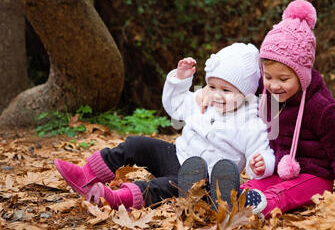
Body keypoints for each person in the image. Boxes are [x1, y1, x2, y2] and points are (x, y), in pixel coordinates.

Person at [197, 0, 335, 218]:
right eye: (267, 77)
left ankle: (253, 209)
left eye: (283, 79)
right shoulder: (265, 92)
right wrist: (207, 91)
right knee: (255, 184)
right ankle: (225, 198)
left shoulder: (323, 108)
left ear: (302, 74)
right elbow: (235, 88)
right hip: (278, 169)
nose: (274, 85)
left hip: (314, 177)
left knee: (280, 194)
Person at [53, 43, 275, 210]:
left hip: (201, 180)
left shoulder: (251, 122)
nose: (217, 94)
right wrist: (180, 81)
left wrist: (261, 164)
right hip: (177, 156)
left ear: (245, 93)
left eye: (226, 91)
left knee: (164, 187)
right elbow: (176, 106)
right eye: (212, 85)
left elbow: (260, 151)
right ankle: (88, 175)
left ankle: (119, 199)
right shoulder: (204, 99)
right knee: (137, 144)